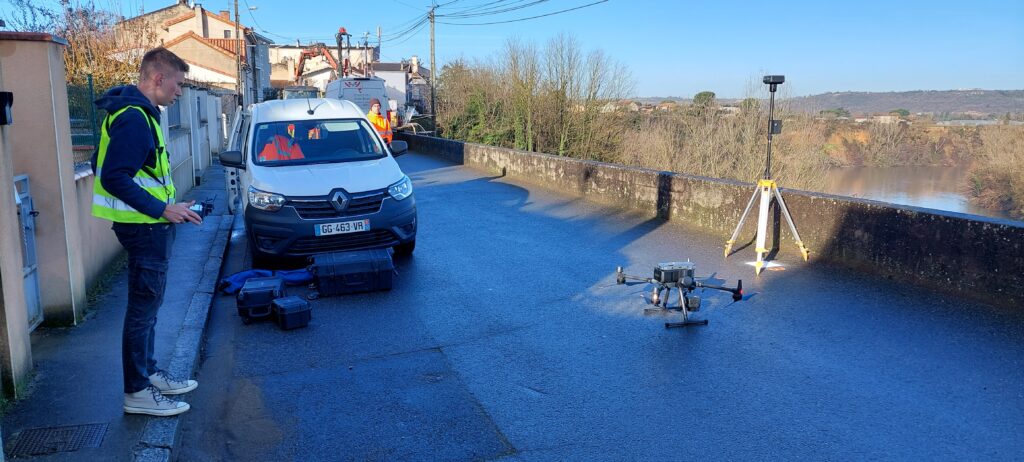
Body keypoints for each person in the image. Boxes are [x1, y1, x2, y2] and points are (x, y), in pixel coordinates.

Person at [93, 47, 201, 417]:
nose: (180, 91)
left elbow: (106, 164)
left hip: (149, 225)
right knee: (143, 310)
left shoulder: (136, 114)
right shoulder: (135, 118)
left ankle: (149, 374)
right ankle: (137, 391)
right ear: (158, 78)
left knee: (149, 307)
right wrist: (162, 208)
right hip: (144, 227)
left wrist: (173, 207)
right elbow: (113, 176)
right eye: (178, 83)